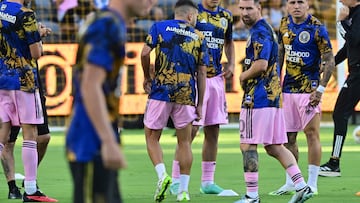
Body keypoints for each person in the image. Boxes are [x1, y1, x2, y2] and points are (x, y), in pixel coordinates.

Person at [65, 0, 155, 202]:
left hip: (96, 135)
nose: (153, 1)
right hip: (89, 141)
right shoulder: (106, 26)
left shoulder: (110, 22)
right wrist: (108, 141)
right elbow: (90, 85)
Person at [234, 0, 314, 202]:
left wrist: (243, 76)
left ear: (259, 8)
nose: (244, 13)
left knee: (247, 145)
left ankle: (251, 195)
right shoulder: (264, 30)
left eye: (249, 8)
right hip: (272, 97)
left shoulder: (260, 31)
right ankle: (302, 186)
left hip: (258, 98)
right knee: (274, 146)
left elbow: (260, 65)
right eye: (241, 8)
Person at [141, 0, 208, 201]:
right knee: (184, 142)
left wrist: (147, 77)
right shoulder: (198, 36)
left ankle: (162, 176)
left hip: (161, 90)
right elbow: (202, 72)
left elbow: (145, 52)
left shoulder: (159, 27)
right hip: (186, 94)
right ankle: (184, 191)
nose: (196, 20)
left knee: (152, 137)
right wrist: (201, 103)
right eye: (196, 16)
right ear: (189, 16)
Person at [268, 0, 336, 196]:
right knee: (288, 137)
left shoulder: (317, 28)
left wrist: (321, 89)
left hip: (309, 91)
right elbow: (281, 52)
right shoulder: (283, 24)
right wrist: (275, 82)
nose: (296, 6)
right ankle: (291, 181)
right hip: (288, 90)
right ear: (287, 6)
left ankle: (312, 183)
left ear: (308, 5)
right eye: (292, 2)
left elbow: (329, 59)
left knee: (311, 134)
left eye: (300, 2)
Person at [169, 0, 235, 195]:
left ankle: (207, 182)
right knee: (190, 131)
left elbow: (229, 42)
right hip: (196, 78)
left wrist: (231, 63)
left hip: (216, 79)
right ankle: (175, 180)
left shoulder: (226, 16)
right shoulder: (193, 13)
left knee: (213, 129)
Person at [0, 0, 60, 202]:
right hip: (24, 80)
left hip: (2, 78)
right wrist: (38, 36)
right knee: (30, 133)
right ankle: (32, 190)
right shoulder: (26, 14)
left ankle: (26, 188)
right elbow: (36, 53)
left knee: (4, 134)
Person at [319, 0, 360, 179]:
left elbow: (353, 39)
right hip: (356, 72)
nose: (341, 1)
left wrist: (341, 22)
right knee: (340, 113)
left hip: (358, 74)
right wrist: (330, 63)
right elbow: (349, 47)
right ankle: (334, 162)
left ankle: (334, 163)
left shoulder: (357, 14)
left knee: (340, 113)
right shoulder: (355, 14)